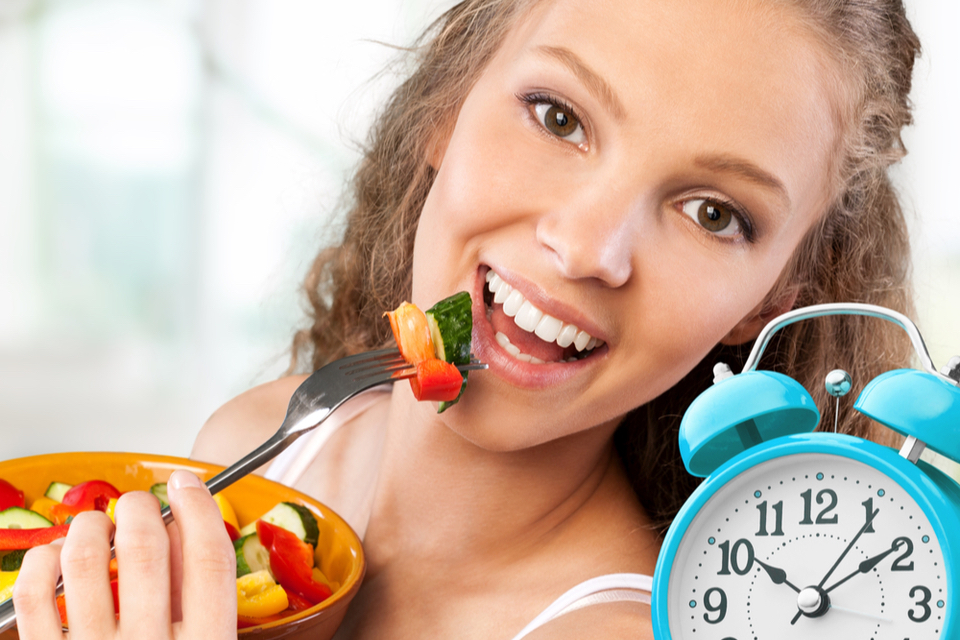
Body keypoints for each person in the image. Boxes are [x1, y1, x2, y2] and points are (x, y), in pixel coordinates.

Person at [13, 0, 921, 638]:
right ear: (445, 110)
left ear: (767, 300)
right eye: (556, 115)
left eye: (714, 212)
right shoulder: (262, 439)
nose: (585, 247)